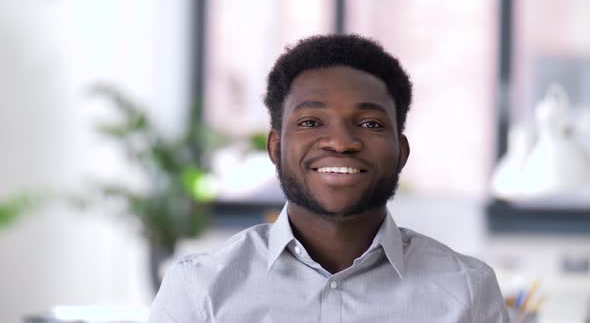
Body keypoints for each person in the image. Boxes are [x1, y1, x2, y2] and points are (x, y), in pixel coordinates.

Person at [148, 34, 509, 323]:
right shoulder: (199, 291)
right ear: (275, 147)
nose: (341, 142)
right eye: (310, 122)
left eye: (370, 124)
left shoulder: (468, 292)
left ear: (401, 151)